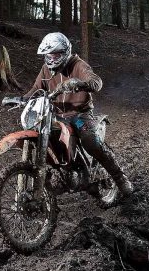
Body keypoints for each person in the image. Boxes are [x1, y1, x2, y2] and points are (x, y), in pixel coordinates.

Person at [23, 32, 133, 206]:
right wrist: (21, 99)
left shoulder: (78, 65)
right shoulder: (46, 69)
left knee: (90, 140)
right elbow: (36, 89)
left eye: (56, 55)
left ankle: (120, 178)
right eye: (49, 55)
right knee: (39, 136)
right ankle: (53, 176)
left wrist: (78, 83)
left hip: (80, 114)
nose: (52, 59)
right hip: (55, 115)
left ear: (65, 52)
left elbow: (97, 83)